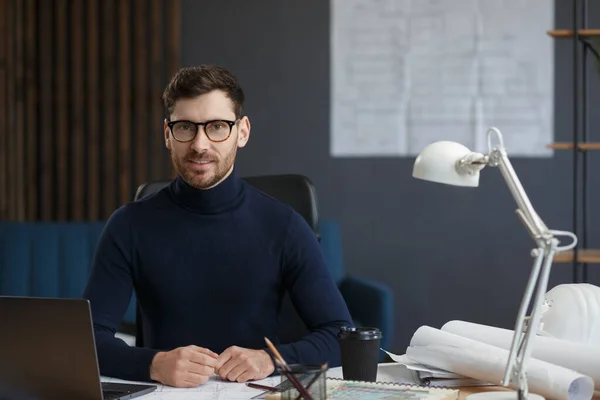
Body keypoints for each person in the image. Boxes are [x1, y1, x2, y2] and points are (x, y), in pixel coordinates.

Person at [83, 64, 353, 388]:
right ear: (167, 134)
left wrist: (270, 359)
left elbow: (340, 335)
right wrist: (154, 363)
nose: (199, 144)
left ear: (242, 132)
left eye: (216, 127)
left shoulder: (285, 226)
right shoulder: (128, 225)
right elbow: (88, 339)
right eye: (185, 127)